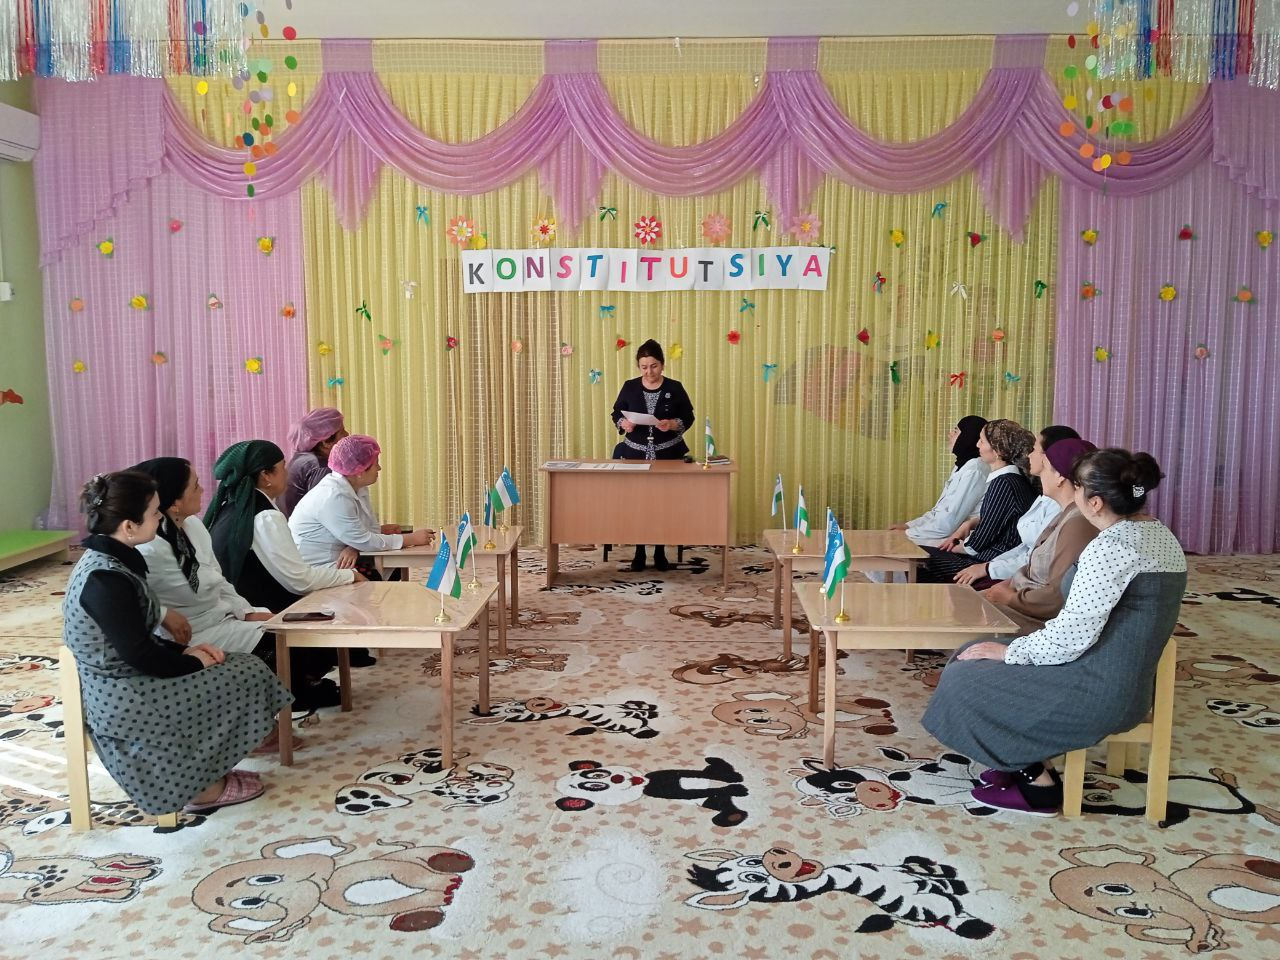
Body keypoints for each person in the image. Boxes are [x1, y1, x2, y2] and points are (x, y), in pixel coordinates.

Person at [922, 448, 1186, 816]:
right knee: (976, 650)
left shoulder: (1110, 547)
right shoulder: (1159, 535)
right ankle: (1015, 761)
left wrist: (1009, 652)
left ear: (1095, 502)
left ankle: (1037, 783)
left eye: (1077, 488)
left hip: (1096, 687)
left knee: (965, 676)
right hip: (1127, 681)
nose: (1073, 495)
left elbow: (1072, 636)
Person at [61, 470, 292, 815]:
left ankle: (208, 769)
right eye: (154, 513)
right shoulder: (105, 579)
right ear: (129, 526)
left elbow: (138, 639)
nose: (160, 517)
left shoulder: (116, 560)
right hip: (123, 695)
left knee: (240, 666)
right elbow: (139, 654)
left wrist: (187, 651)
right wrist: (193, 661)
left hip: (130, 676)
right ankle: (201, 789)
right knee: (240, 675)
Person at [206, 439, 362, 697]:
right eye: (282, 467)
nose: (287, 473)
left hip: (241, 600)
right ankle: (299, 689)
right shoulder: (265, 515)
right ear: (266, 476)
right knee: (333, 605)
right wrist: (349, 576)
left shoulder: (232, 507)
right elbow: (299, 580)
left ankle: (303, 682)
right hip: (258, 604)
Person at [132, 458, 273, 656]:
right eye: (196, 485)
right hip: (189, 636)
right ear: (175, 503)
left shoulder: (193, 525)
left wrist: (245, 611)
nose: (202, 490)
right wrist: (162, 614)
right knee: (294, 648)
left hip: (222, 618)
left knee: (289, 631)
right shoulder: (147, 548)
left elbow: (218, 578)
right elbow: (131, 602)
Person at [980, 438, 1099, 633]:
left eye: (1044, 467)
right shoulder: (1066, 513)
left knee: (964, 612)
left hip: (1037, 619)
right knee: (964, 601)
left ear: (1060, 477)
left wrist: (1009, 598)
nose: (1040, 474)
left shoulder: (1078, 523)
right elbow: (1034, 564)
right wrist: (1009, 584)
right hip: (1022, 600)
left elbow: (1057, 596)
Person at [289, 434, 434, 580]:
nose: (379, 468)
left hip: (340, 556)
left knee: (393, 568)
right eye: (376, 464)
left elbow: (369, 528)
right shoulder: (333, 497)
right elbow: (365, 540)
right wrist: (412, 539)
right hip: (318, 567)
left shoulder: (357, 486)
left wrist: (354, 546)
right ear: (359, 471)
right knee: (376, 578)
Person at [952, 425, 1081, 589]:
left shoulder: (1007, 482)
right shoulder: (1045, 496)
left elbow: (1037, 562)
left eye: (1034, 450)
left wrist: (988, 568)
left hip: (1023, 579)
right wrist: (989, 566)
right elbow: (1026, 549)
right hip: (1009, 568)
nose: (1029, 454)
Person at [610, 339, 695, 572]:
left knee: (662, 505)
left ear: (663, 364)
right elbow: (616, 412)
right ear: (639, 367)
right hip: (635, 454)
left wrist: (673, 424)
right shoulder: (629, 386)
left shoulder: (675, 387)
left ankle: (659, 551)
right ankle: (639, 551)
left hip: (668, 454)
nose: (649, 372)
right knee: (639, 505)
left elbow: (688, 416)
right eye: (644, 367)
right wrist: (623, 423)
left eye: (654, 366)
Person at [918, 419, 1037, 583]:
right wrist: (971, 524)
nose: (977, 445)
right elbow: (993, 521)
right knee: (922, 553)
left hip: (991, 561)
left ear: (997, 451)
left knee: (921, 559)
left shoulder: (1004, 483)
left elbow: (977, 544)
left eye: (982, 441)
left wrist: (951, 547)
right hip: (990, 556)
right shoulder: (1008, 479)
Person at [889, 415, 990, 547]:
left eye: (955, 431)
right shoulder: (963, 465)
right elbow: (938, 512)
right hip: (943, 535)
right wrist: (908, 526)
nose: (950, 435)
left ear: (967, 437)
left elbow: (948, 524)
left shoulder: (975, 469)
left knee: (890, 550)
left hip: (959, 541)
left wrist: (908, 533)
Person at [282, 407, 348, 516]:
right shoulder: (320, 466)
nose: (347, 434)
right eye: (342, 431)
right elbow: (325, 511)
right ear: (326, 442)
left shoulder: (301, 457)